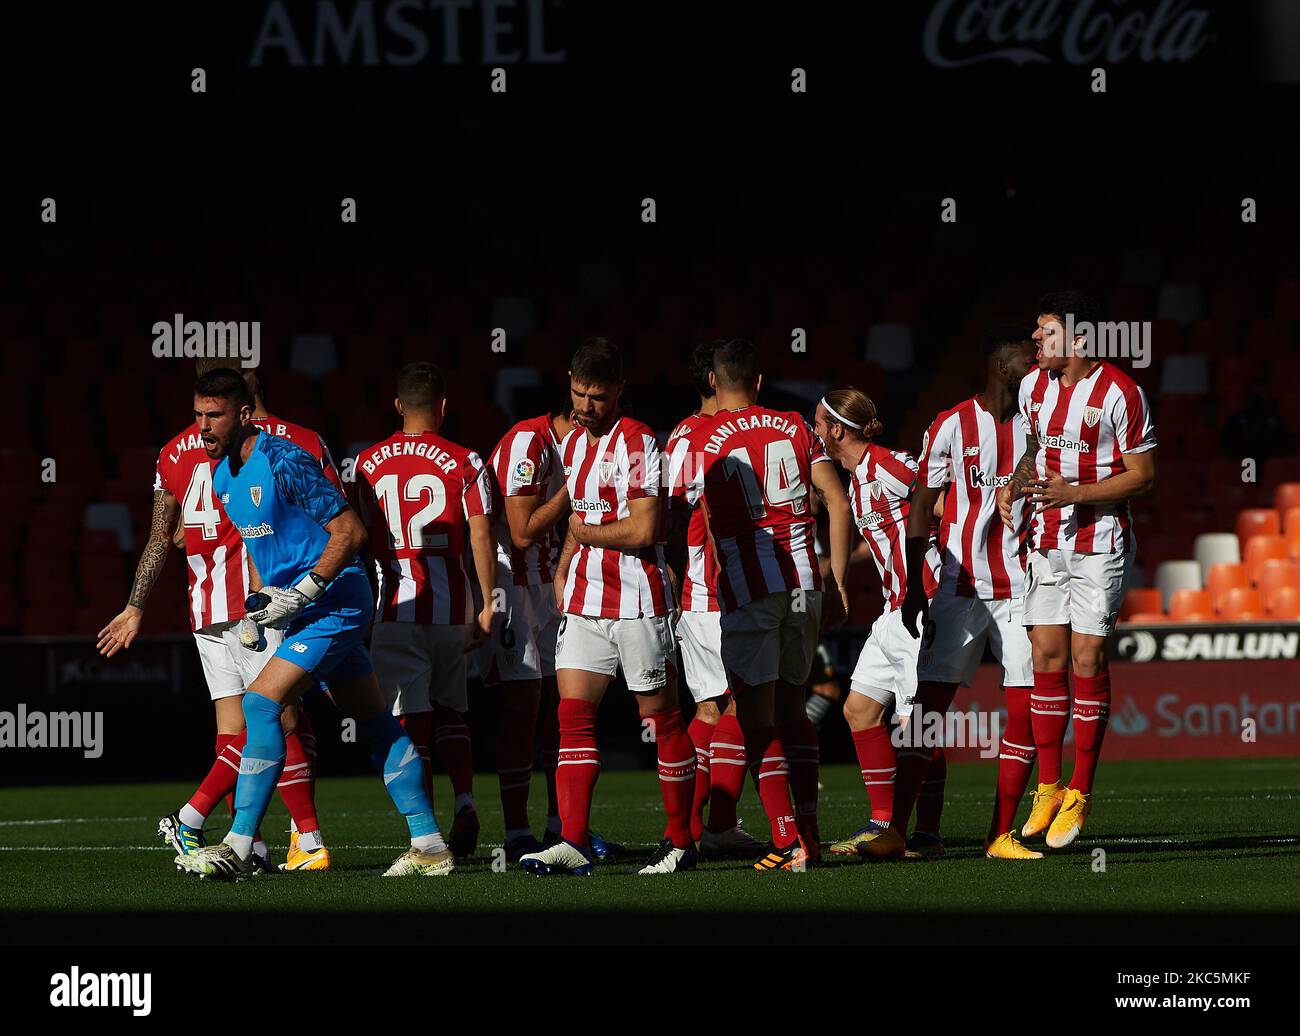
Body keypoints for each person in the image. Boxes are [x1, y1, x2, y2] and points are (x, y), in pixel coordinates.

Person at [172, 369, 450, 880]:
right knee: (372, 720)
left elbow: (351, 531)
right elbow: (263, 549)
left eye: (215, 416)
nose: (203, 428)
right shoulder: (221, 476)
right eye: (197, 416)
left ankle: (237, 845)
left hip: (336, 601)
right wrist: (258, 603)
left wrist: (303, 591)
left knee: (260, 703)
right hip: (304, 608)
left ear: (244, 414)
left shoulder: (284, 459)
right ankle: (430, 843)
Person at [97, 362, 326, 874]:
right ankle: (299, 837)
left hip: (202, 608)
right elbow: (262, 525)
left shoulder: (171, 452)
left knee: (234, 730)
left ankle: (256, 844)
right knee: (280, 719)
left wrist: (136, 605)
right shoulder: (258, 446)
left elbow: (166, 536)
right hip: (250, 606)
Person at [519, 339, 697, 876]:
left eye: (597, 396)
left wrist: (584, 534)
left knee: (661, 719)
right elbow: (580, 511)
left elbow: (646, 528)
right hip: (584, 603)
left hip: (638, 601)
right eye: (578, 393)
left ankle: (680, 842)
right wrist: (562, 565)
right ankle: (572, 840)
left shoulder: (639, 441)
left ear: (620, 389)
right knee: (571, 717)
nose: (586, 406)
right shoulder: (571, 443)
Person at [682, 339, 852, 871]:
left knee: (755, 720)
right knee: (793, 711)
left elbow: (693, 521)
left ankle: (787, 843)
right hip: (803, 581)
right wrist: (839, 582)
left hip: (748, 589)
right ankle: (811, 834)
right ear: (759, 381)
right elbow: (837, 500)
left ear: (713, 381)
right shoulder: (797, 426)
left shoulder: (698, 436)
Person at [998, 292, 1157, 849]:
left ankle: (1081, 792)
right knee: (1046, 654)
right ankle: (1048, 785)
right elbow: (1036, 448)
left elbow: (1143, 474)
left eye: (1046, 332)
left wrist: (1077, 492)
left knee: (1087, 657)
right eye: (1035, 332)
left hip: (1100, 540)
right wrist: (1014, 481)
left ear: (1080, 339)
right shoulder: (1031, 387)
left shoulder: (1121, 392)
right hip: (1045, 538)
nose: (1035, 341)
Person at [900, 326, 1042, 860]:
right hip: (959, 590)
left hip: (1024, 588)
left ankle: (1000, 833)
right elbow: (921, 504)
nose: (1035, 366)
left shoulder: (1040, 423)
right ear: (999, 366)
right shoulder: (951, 424)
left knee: (1024, 708)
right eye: (1024, 360)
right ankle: (895, 826)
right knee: (929, 710)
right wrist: (916, 584)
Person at [354, 363, 497, 861]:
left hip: (395, 609)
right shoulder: (466, 460)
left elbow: (357, 539)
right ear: (442, 404)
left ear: (397, 405)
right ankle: (464, 799)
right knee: (453, 710)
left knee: (411, 724)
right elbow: (481, 533)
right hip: (452, 609)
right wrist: (486, 603)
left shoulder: (366, 463)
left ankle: (427, 834)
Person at [813, 387, 928, 861]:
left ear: (837, 430)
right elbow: (885, 532)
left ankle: (923, 833)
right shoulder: (857, 480)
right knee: (859, 710)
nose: (814, 431)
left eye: (818, 423)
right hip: (890, 610)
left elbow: (938, 502)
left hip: (920, 608)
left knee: (919, 726)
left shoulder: (891, 463)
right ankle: (883, 823)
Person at [664, 342, 762, 858]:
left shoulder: (681, 437)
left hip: (699, 591)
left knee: (709, 710)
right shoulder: (746, 431)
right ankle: (708, 827)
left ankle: (697, 830)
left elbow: (671, 512)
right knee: (737, 707)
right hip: (724, 594)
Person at [478, 400, 575, 861]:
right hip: (512, 587)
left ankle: (563, 828)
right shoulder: (527, 442)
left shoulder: (580, 444)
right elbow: (519, 532)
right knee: (523, 707)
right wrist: (574, 489)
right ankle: (516, 830)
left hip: (553, 581)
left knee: (566, 705)